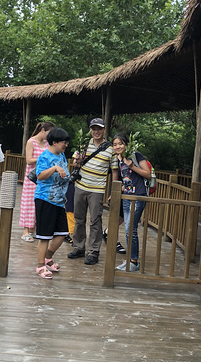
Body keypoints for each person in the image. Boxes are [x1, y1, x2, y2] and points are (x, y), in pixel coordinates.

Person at [68, 117, 119, 265]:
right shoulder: (83, 144)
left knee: (95, 220)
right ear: (90, 130)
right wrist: (77, 162)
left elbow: (114, 171)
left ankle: (93, 251)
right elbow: (76, 164)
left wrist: (113, 191)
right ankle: (78, 247)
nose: (96, 131)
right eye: (94, 129)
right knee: (79, 218)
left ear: (104, 130)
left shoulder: (111, 149)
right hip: (80, 186)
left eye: (99, 129)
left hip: (97, 189)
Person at [111, 134, 151, 272]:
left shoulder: (136, 155)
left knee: (130, 229)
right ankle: (131, 259)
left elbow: (147, 174)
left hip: (138, 196)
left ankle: (133, 261)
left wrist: (132, 166)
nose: (118, 146)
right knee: (128, 229)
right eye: (115, 144)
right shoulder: (118, 159)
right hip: (126, 196)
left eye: (120, 143)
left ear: (127, 144)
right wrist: (116, 192)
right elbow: (126, 180)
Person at [34, 127, 70, 278]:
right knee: (45, 236)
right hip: (45, 199)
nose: (66, 145)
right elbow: (40, 176)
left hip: (59, 201)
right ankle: (40, 266)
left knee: (62, 233)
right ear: (54, 142)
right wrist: (54, 168)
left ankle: (47, 258)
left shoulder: (62, 155)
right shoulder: (44, 157)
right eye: (64, 142)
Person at [19, 121, 55, 242]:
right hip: (32, 177)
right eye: (49, 133)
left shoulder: (47, 143)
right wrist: (42, 158)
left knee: (40, 202)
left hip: (43, 177)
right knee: (29, 202)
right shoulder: (31, 142)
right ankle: (25, 230)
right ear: (43, 130)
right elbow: (29, 160)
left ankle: (33, 228)